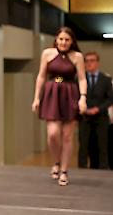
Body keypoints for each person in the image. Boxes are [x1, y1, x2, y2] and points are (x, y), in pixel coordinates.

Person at [32, 27, 87, 186]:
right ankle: (56, 161)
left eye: (67, 40)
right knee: (53, 134)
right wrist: (36, 98)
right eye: (61, 39)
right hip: (52, 93)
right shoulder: (47, 54)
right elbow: (41, 76)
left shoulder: (77, 56)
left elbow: (82, 79)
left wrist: (82, 98)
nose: (63, 42)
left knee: (68, 137)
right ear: (56, 39)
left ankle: (64, 170)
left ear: (72, 41)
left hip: (70, 93)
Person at [78, 51, 112, 169]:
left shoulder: (106, 79)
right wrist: (57, 79)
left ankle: (104, 170)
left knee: (102, 146)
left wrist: (98, 109)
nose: (89, 63)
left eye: (92, 61)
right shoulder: (80, 78)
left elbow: (110, 99)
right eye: (86, 61)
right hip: (84, 117)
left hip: (101, 117)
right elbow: (60, 79)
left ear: (97, 62)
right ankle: (82, 170)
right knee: (83, 146)